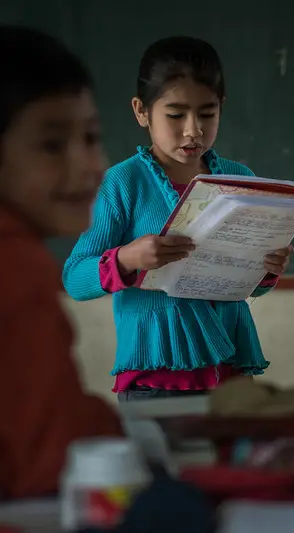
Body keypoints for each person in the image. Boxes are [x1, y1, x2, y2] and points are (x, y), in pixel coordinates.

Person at [63, 36, 293, 402]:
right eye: (175, 115)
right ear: (141, 111)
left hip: (231, 373)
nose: (193, 131)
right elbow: (75, 278)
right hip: (155, 378)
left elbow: (250, 287)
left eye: (207, 113)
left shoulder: (239, 178)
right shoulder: (124, 183)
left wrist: (267, 269)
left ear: (222, 107)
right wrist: (127, 259)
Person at [0, 26, 122, 499]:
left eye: (91, 137)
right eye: (52, 145)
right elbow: (50, 471)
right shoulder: (16, 270)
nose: (86, 166)